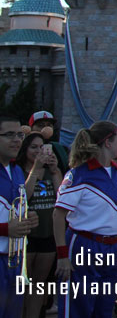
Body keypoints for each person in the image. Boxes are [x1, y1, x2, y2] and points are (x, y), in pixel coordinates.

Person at [53, 120, 117, 318]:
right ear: (107, 142)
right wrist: (62, 256)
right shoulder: (79, 174)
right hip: (85, 244)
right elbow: (58, 214)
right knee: (78, 307)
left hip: (114, 247)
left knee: (105, 308)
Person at [16, 131, 61, 318]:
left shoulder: (51, 172)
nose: (38, 151)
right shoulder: (19, 171)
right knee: (21, 284)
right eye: (33, 147)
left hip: (47, 234)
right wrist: (35, 169)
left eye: (42, 147)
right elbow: (22, 197)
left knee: (39, 284)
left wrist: (55, 170)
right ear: (25, 149)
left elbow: (62, 197)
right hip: (25, 236)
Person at [1, 116, 39, 318]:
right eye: (9, 135)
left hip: (14, 260)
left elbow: (14, 209)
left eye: (19, 135)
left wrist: (28, 216)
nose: (16, 140)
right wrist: (5, 229)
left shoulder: (16, 171)